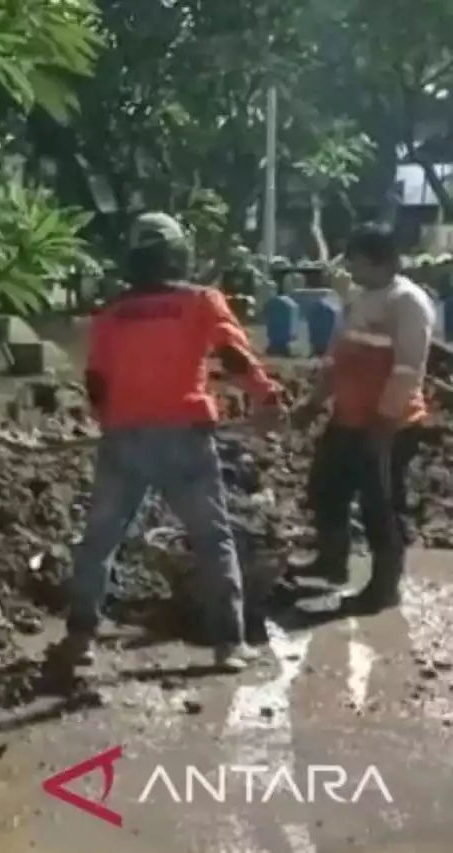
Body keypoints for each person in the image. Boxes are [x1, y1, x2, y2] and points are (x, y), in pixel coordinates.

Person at [57, 212, 285, 672]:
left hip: (124, 438)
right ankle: (229, 645)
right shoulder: (201, 301)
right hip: (185, 437)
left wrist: (113, 421)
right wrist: (268, 397)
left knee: (100, 540)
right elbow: (232, 353)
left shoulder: (112, 313)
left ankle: (80, 638)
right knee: (212, 539)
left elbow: (96, 381)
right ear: (178, 253)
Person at [292, 224, 435, 614]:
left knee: (381, 505)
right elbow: (337, 359)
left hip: (388, 426)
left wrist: (384, 422)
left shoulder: (408, 302)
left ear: (379, 260)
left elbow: (409, 369)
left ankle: (384, 586)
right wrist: (313, 402)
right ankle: (332, 562)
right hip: (347, 420)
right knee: (325, 489)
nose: (348, 267)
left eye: (354, 259)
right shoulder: (357, 300)